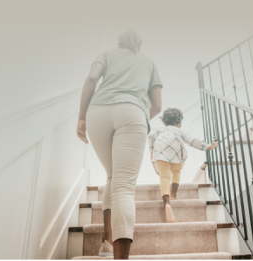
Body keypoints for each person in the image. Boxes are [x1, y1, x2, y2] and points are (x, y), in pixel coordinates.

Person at [76, 29, 163, 260]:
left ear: (119, 41)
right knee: (124, 186)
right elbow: (157, 105)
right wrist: (139, 118)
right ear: (139, 43)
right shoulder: (149, 63)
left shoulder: (105, 54)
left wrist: (82, 117)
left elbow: (92, 78)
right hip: (132, 112)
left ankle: (106, 242)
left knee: (113, 177)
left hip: (98, 113)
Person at [148, 108, 218, 223]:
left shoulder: (159, 132)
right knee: (176, 172)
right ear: (179, 122)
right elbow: (192, 141)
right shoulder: (179, 131)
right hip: (175, 151)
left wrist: (151, 151)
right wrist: (208, 146)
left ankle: (166, 203)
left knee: (164, 176)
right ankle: (173, 195)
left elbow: (150, 137)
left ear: (165, 122)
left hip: (159, 152)